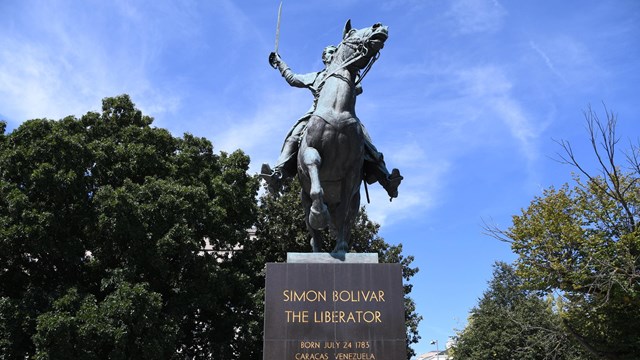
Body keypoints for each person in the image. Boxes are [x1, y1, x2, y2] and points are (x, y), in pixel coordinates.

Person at [261, 46, 402, 199]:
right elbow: (293, 79)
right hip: (315, 115)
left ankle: (387, 181)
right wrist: (280, 63)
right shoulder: (316, 76)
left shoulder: (347, 73)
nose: (333, 53)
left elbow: (358, 88)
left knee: (364, 139)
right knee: (293, 136)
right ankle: (278, 175)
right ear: (324, 57)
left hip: (345, 115)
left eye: (335, 51)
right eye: (330, 51)